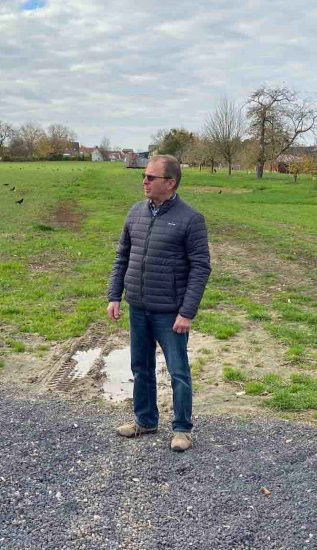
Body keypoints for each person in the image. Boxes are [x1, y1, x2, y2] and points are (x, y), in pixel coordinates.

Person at [107, 155, 211, 452]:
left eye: (151, 177)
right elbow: (122, 256)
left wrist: (187, 312)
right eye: (144, 176)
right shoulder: (135, 213)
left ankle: (182, 429)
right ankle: (145, 420)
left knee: (178, 370)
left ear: (171, 182)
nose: (145, 181)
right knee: (141, 366)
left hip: (170, 313)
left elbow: (201, 268)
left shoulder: (191, 218)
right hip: (138, 306)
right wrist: (115, 296)